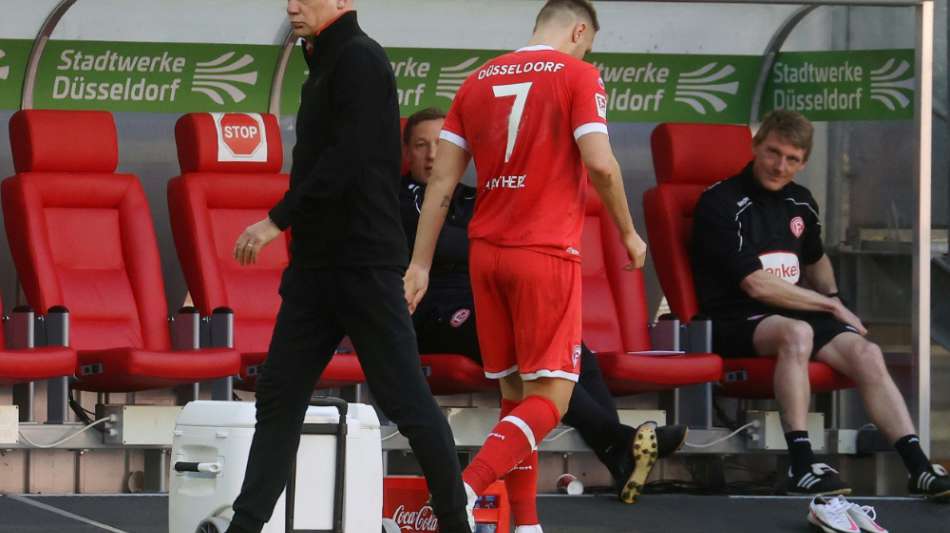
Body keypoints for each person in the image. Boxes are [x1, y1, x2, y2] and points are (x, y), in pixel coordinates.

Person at [404, 1, 653, 530]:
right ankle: (461, 492)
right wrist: (629, 231)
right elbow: (602, 162)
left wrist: (420, 264)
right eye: (588, 43)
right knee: (552, 401)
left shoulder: (476, 81)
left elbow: (442, 185)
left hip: (486, 258)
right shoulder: (578, 74)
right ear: (579, 30)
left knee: (515, 397)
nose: (587, 51)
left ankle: (526, 523)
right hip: (543, 253)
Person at [225, 2, 472, 532]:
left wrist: (276, 221)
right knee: (279, 397)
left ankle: (457, 524)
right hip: (317, 269)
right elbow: (318, 165)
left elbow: (349, 160)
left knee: (407, 401)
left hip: (363, 265)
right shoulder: (321, 64)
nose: (292, 6)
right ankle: (244, 526)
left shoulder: (360, 59)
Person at [399, 107, 687, 510]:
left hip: (492, 301)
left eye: (440, 144)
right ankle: (621, 440)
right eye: (420, 145)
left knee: (574, 350)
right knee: (530, 353)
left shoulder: (474, 197)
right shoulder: (402, 199)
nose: (431, 154)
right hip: (436, 313)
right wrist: (494, 238)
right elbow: (450, 245)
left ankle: (619, 456)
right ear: (407, 152)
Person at [691, 109, 949, 500]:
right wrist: (830, 308)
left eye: (792, 159)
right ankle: (801, 464)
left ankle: (918, 467)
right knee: (796, 333)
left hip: (795, 311)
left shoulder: (801, 202)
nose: (780, 166)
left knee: (866, 352)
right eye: (773, 153)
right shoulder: (721, 201)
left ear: (803, 162)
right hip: (733, 317)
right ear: (756, 146)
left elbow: (815, 259)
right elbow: (756, 285)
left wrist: (831, 297)